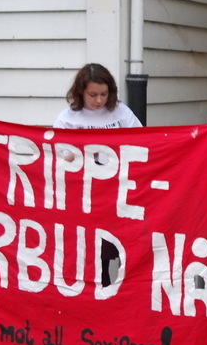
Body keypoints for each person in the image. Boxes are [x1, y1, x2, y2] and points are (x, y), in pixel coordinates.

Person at [54, 63, 142, 286]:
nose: (99, 100)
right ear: (80, 92)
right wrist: (80, 152)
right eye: (92, 95)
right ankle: (101, 287)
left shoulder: (122, 113)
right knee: (94, 247)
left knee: (125, 243)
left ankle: (127, 288)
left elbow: (142, 143)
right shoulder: (67, 119)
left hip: (119, 191)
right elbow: (59, 158)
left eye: (104, 94)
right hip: (86, 195)